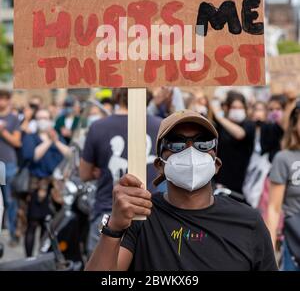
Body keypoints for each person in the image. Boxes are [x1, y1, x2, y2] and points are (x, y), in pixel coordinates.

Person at [85, 110, 277, 271]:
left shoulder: (248, 222)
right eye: (176, 143)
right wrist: (115, 226)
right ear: (160, 165)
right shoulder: (141, 217)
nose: (190, 150)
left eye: (203, 143)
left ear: (216, 164)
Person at [80, 88, 161, 255]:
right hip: (150, 212)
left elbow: (84, 174)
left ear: (116, 95)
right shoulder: (161, 125)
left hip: (108, 213)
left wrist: (99, 170)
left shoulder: (98, 127)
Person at [22, 108, 71, 256]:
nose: (43, 121)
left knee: (48, 226)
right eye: (39, 118)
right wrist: (49, 141)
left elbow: (69, 154)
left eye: (46, 117)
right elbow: (33, 156)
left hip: (54, 189)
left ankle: (42, 257)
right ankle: (29, 258)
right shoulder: (30, 137)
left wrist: (56, 141)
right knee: (32, 224)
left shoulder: (58, 138)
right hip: (37, 187)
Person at [266, 102, 300, 271]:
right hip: (295, 245)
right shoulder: (284, 158)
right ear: (295, 125)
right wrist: (270, 250)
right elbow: (273, 208)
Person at [212, 91, 255, 194]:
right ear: (226, 107)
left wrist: (220, 117)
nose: (238, 111)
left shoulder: (249, 124)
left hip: (241, 183)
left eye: (240, 108)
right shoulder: (219, 125)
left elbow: (240, 134)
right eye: (234, 107)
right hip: (220, 181)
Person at [0, 89, 21, 245]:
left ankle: (13, 233)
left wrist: (2, 131)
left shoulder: (13, 119)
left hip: (8, 165)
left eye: (3, 98)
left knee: (9, 201)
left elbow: (17, 142)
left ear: (8, 100)